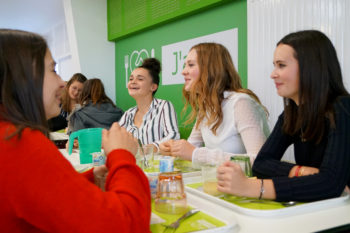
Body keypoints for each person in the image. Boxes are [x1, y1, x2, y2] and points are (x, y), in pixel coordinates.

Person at [0, 29, 150, 232]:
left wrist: (89, 179)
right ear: (23, 78)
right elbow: (125, 225)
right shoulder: (20, 144)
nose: (62, 82)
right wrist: (122, 157)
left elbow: (40, 193)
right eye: (53, 70)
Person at [217, 30, 350, 202]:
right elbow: (261, 164)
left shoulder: (342, 108)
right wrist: (301, 171)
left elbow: (330, 184)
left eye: (281, 65)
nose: (273, 74)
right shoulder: (292, 112)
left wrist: (251, 187)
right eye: (274, 65)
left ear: (310, 67)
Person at [159, 43, 269, 166]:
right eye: (185, 65)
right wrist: (172, 149)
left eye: (190, 65)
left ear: (211, 69)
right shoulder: (205, 106)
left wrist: (196, 154)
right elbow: (191, 148)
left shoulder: (241, 103)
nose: (183, 71)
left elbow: (260, 162)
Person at [119, 58, 180, 152]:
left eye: (140, 79)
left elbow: (173, 135)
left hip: (156, 164)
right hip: (133, 164)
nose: (133, 82)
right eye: (131, 79)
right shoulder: (128, 114)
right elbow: (117, 138)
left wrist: (150, 148)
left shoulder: (164, 106)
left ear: (153, 87)